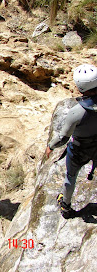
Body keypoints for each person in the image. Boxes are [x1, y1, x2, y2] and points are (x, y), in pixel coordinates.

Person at [45, 64, 97, 218]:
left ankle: (66, 206)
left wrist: (50, 146)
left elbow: (63, 137)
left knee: (71, 177)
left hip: (80, 149)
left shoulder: (77, 112)